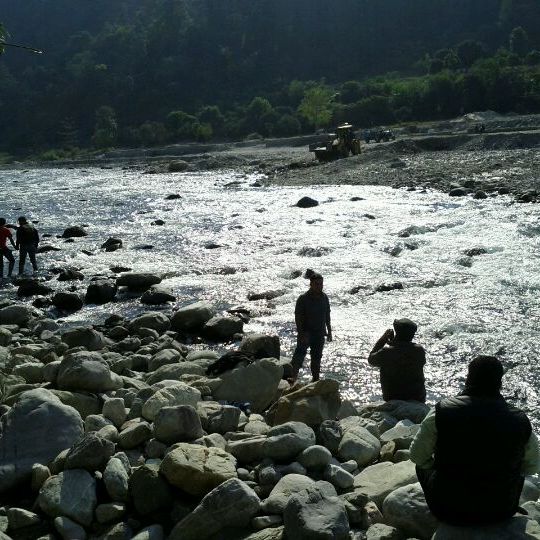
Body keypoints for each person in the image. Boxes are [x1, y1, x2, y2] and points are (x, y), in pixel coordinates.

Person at [410, 356, 540, 526]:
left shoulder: (441, 411)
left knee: (421, 466)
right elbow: (532, 467)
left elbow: (417, 456)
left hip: (448, 510)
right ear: (500, 383)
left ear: (468, 378)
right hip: (501, 511)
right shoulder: (520, 419)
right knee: (518, 470)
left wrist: (438, 467)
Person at [368, 318, 426, 402]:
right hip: (417, 399)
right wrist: (392, 342)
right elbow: (402, 351)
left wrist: (383, 339)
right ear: (412, 335)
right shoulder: (419, 351)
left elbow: (371, 359)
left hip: (393, 399)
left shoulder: (386, 352)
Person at [290, 271, 332, 382]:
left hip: (319, 334)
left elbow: (327, 315)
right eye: (317, 284)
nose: (319, 286)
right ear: (311, 284)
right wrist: (301, 333)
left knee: (317, 359)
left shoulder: (324, 298)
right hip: (306, 333)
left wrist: (329, 331)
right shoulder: (303, 299)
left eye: (321, 284)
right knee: (299, 356)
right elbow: (298, 318)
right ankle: (292, 378)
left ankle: (315, 379)